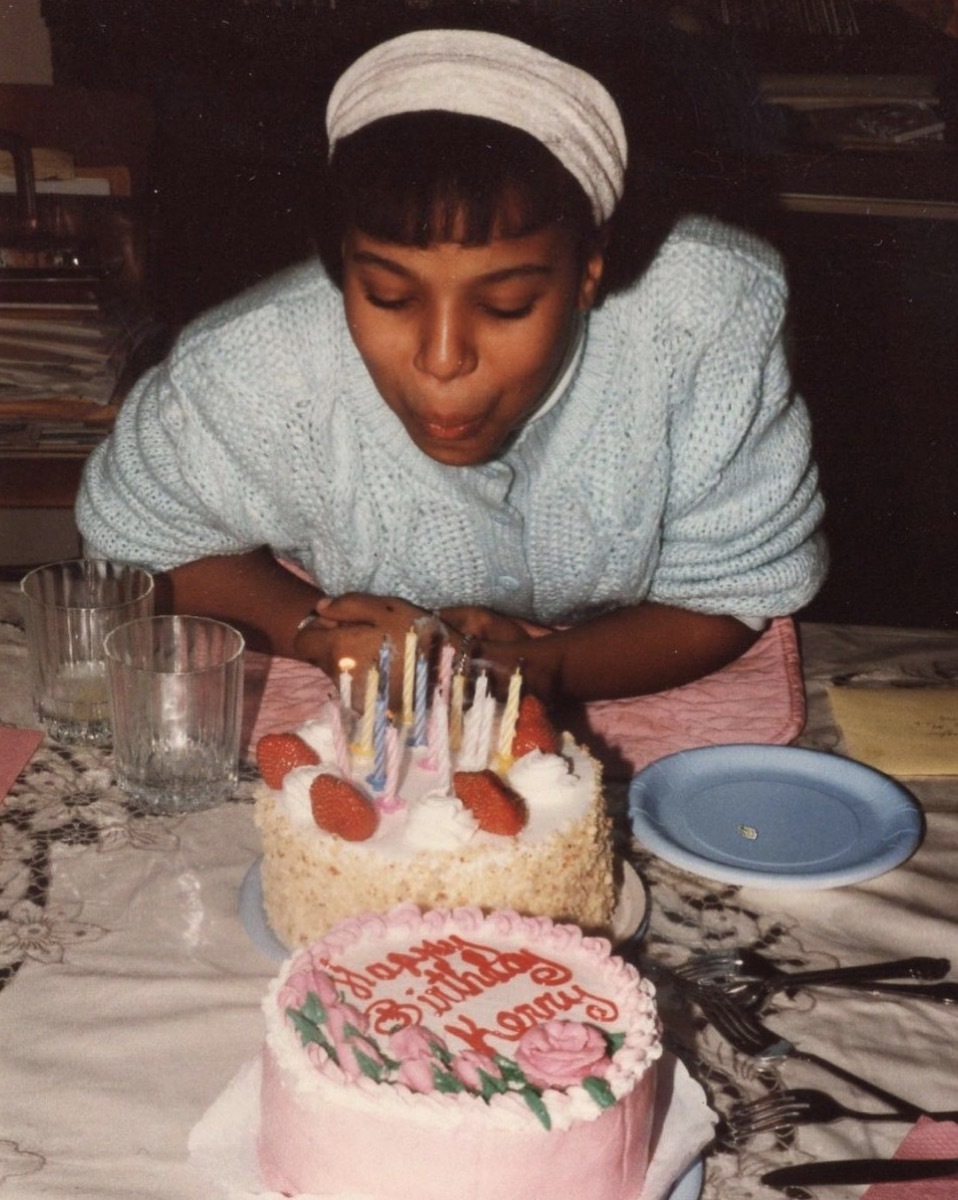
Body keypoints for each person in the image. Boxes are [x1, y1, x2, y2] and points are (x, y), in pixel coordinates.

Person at [76, 27, 826, 711]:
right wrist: (311, 631)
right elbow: (141, 551)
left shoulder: (706, 315)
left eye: (505, 305)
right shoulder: (255, 361)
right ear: (341, 264)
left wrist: (514, 673)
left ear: (589, 270)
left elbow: (730, 590)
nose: (441, 360)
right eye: (389, 295)